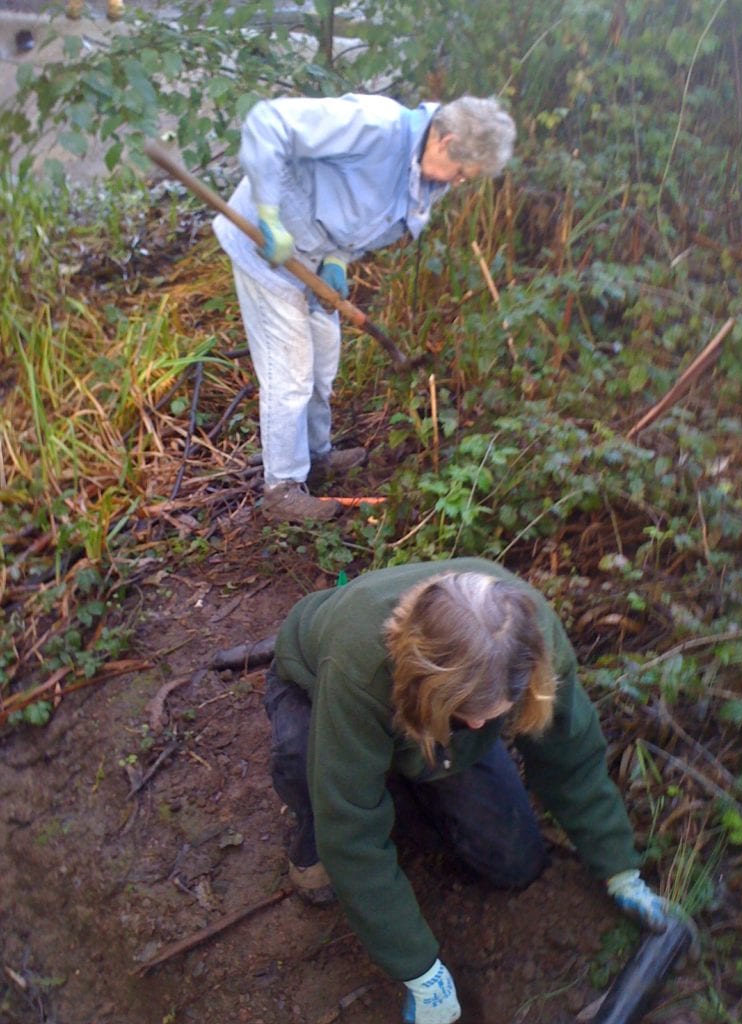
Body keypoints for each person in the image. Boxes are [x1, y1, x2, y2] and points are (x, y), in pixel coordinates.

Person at [265, 557, 684, 1024]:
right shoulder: (357, 667)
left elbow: (570, 756)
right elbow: (352, 830)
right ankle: (321, 821)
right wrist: (419, 971)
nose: (485, 724)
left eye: (493, 713)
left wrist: (618, 867)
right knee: (312, 767)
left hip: (438, 729)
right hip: (315, 688)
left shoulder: (531, 636)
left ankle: (399, 780)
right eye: (472, 711)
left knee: (513, 860)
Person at [214, 94, 516, 522]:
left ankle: (316, 456)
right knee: (291, 370)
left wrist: (338, 260)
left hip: (314, 259)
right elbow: (268, 120)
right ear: (445, 141)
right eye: (463, 172)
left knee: (323, 363)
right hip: (266, 249)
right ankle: (282, 487)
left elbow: (363, 221)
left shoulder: (427, 182)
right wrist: (268, 213)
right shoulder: (375, 126)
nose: (461, 183)